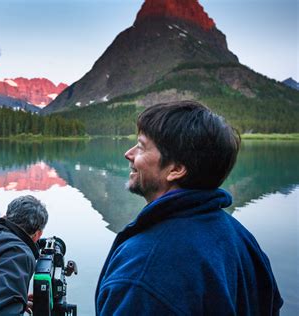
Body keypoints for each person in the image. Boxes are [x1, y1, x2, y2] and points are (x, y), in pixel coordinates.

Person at [95, 101, 283, 315]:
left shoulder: (143, 271)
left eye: (141, 146)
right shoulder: (242, 239)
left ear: (176, 169)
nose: (128, 154)